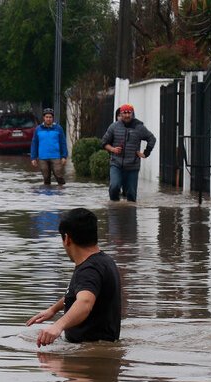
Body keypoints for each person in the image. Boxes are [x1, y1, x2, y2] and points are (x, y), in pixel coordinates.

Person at [26, 208, 122, 347]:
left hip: (88, 356)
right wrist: (53, 309)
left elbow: (85, 302)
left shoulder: (89, 270)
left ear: (67, 238)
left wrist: (58, 326)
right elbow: (80, 292)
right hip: (97, 349)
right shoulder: (104, 261)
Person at [100, 103, 156, 202]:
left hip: (132, 167)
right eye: (124, 113)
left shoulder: (139, 127)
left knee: (131, 195)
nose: (126, 115)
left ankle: (130, 214)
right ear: (120, 114)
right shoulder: (114, 127)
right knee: (114, 187)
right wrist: (113, 149)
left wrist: (146, 153)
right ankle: (114, 209)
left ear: (132, 113)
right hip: (116, 164)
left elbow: (152, 139)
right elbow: (104, 143)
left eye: (129, 113)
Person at [30, 107, 68, 185]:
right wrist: (33, 157)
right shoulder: (38, 129)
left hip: (55, 157)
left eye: (50, 117)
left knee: (59, 176)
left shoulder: (58, 128)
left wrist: (64, 156)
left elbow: (63, 143)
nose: (48, 119)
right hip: (42, 157)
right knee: (46, 177)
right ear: (44, 118)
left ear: (53, 118)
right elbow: (34, 144)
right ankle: (47, 194)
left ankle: (62, 192)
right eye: (47, 117)